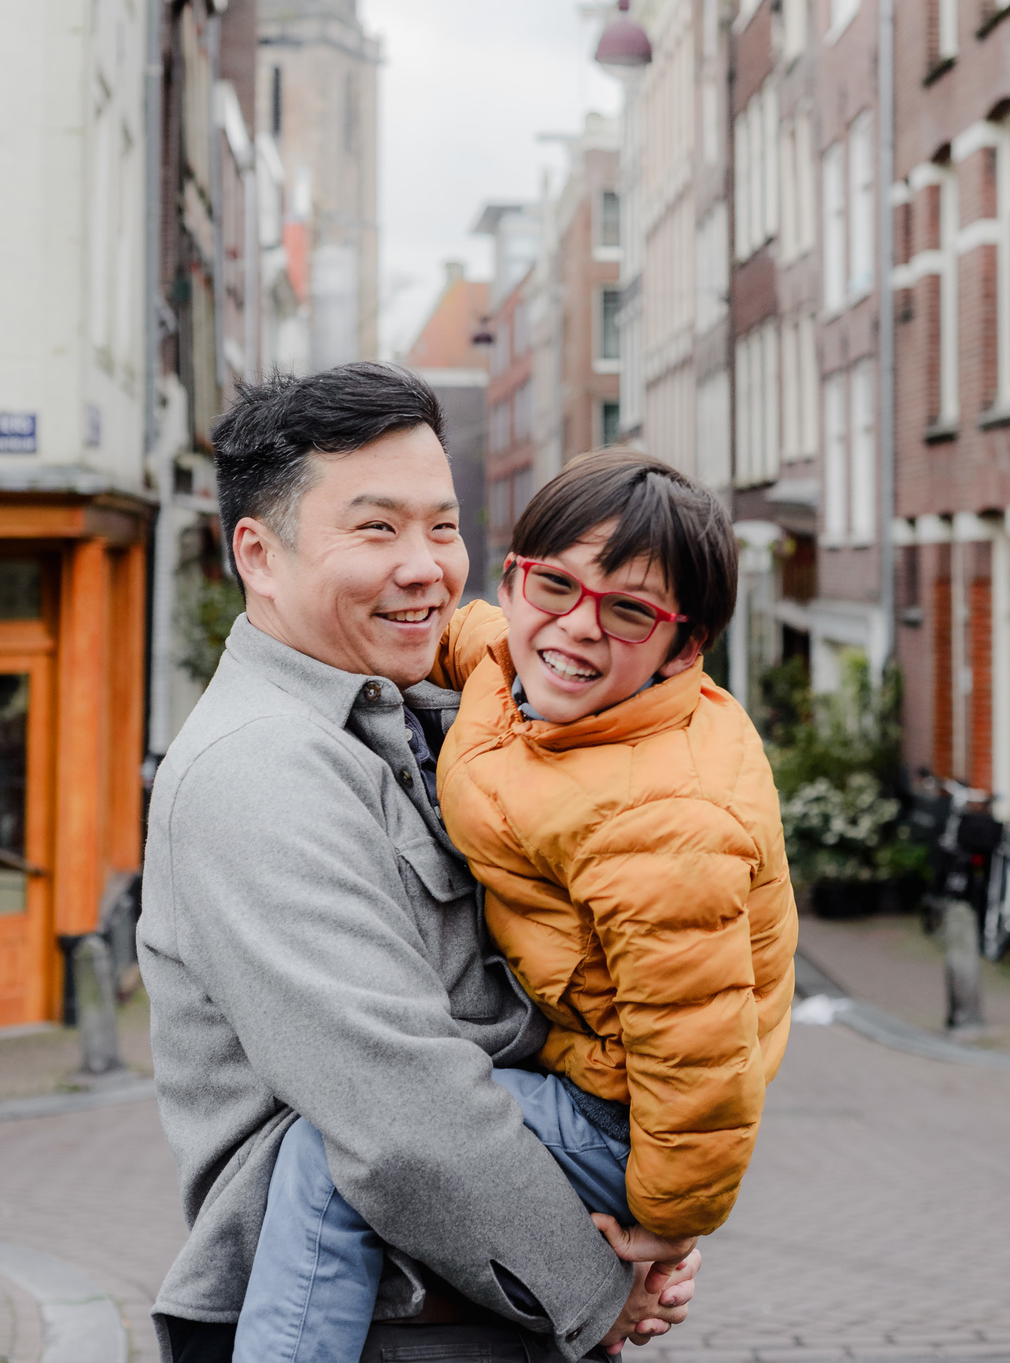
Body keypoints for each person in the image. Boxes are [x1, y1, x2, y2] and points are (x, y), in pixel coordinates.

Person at [138, 364, 700, 1363]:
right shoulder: (256, 770)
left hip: (470, 1308)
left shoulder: (429, 721)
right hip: (365, 1330)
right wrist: (593, 1283)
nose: (427, 567)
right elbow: (402, 1106)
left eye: (443, 527)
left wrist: (636, 1200)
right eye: (376, 528)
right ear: (259, 555)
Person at [233, 448, 797, 1362]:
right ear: (516, 578)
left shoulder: (665, 823)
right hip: (578, 1070)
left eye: (628, 613)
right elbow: (459, 637)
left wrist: (667, 1226)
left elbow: (703, 1059)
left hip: (623, 1116)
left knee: (331, 1157)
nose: (576, 629)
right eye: (557, 587)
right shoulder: (509, 659)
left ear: (683, 647)